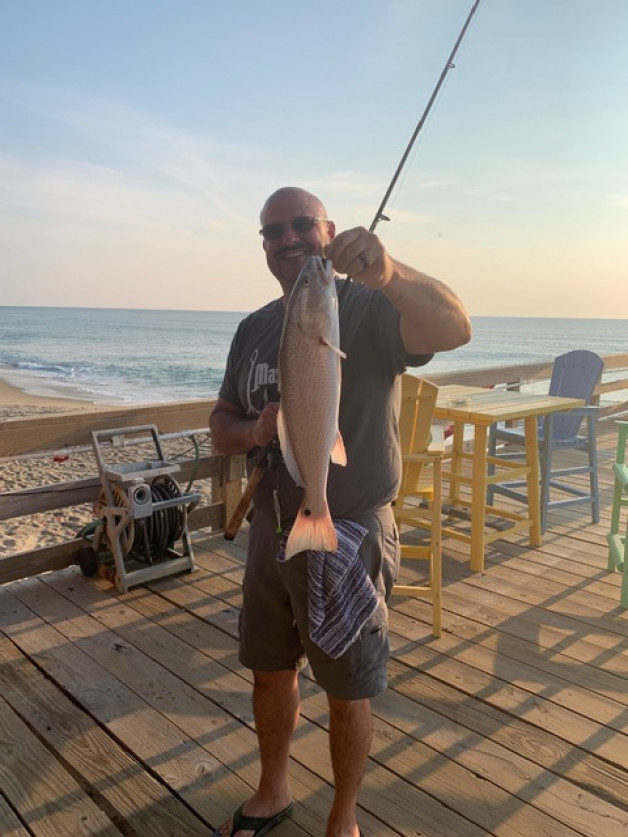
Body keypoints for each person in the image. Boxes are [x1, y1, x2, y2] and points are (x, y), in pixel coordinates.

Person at [209, 186, 471, 837]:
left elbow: (454, 327)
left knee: (349, 686)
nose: (288, 238)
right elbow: (219, 424)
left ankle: (344, 818)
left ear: (327, 232)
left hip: (348, 528)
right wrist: (254, 429)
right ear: (264, 246)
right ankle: (273, 790)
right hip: (272, 527)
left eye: (303, 225)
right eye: (273, 231)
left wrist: (390, 271)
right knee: (270, 670)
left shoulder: (368, 308)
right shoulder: (252, 328)